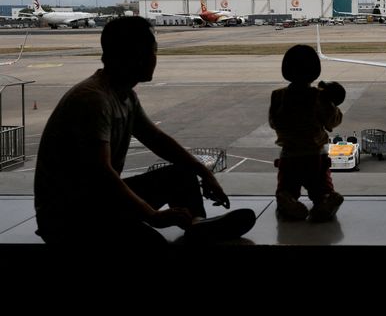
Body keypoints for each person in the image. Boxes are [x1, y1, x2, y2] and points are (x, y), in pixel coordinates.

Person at [33, 16, 255, 246]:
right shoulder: (93, 99)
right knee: (153, 245)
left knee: (181, 173)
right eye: (153, 51)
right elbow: (101, 174)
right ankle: (196, 228)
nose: (155, 59)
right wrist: (153, 216)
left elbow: (156, 139)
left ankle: (197, 224)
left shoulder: (123, 94)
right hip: (71, 217)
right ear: (135, 56)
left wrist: (203, 171)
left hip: (94, 201)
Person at [269, 44, 345, 221]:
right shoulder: (319, 97)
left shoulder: (277, 96)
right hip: (315, 154)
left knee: (287, 188)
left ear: (286, 70)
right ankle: (326, 201)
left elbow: (273, 123)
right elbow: (332, 122)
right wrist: (333, 104)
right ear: (315, 72)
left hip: (289, 154)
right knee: (321, 188)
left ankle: (286, 201)